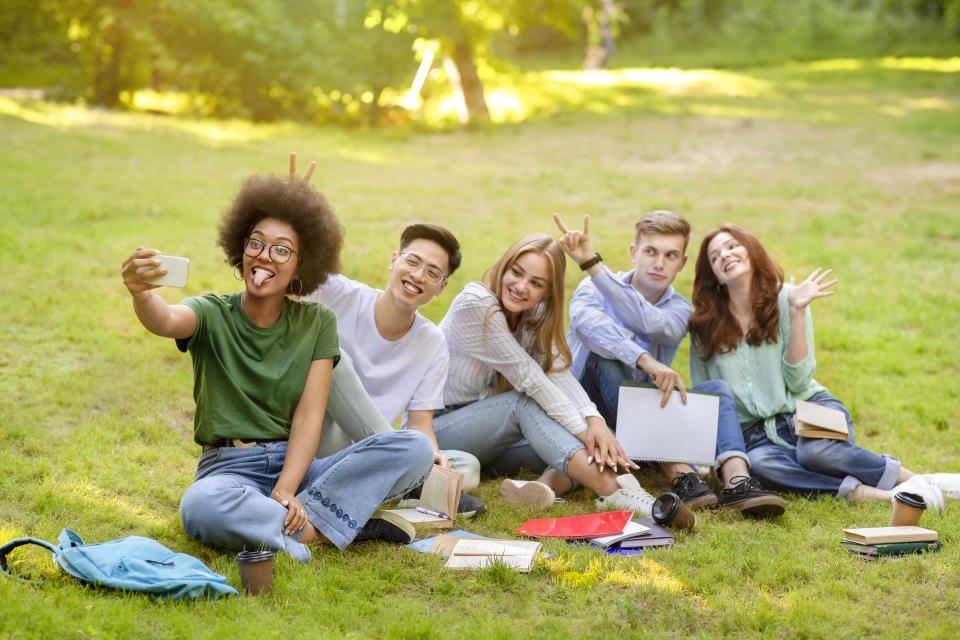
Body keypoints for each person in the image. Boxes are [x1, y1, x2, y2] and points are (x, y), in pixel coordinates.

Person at [120, 174, 435, 562]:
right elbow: (165, 320)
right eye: (256, 243)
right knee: (199, 505)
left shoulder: (317, 321)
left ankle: (294, 520)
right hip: (229, 471)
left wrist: (286, 489)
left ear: (302, 265)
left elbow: (309, 416)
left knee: (415, 447)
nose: (265, 256)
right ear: (241, 249)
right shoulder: (212, 311)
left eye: (282, 250)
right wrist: (142, 294)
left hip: (300, 469)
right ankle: (322, 528)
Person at [687, 223, 948, 508]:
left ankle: (915, 480)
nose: (724, 255)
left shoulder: (788, 298)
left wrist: (797, 312)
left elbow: (799, 382)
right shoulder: (705, 327)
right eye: (715, 257)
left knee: (816, 454)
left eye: (732, 246)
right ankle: (873, 495)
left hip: (809, 409)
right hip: (757, 435)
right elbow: (709, 399)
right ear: (714, 276)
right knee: (762, 467)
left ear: (751, 250)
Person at [559, 211, 785, 516]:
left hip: (648, 417)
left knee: (718, 389)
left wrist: (595, 268)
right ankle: (679, 472)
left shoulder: (679, 309)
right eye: (650, 251)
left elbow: (649, 323)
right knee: (605, 359)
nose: (659, 263)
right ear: (633, 252)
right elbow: (592, 329)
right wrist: (646, 361)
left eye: (670, 255)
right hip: (589, 412)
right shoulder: (591, 286)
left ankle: (737, 482)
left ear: (682, 263)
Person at [432, 230, 662, 515]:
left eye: (536, 283)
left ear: (547, 291)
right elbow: (530, 378)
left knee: (588, 439)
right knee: (529, 407)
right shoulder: (477, 303)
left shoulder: (533, 312)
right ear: (505, 265)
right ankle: (614, 492)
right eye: (516, 272)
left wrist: (595, 422)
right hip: (438, 433)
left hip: (486, 437)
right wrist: (585, 431)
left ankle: (542, 487)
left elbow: (556, 371)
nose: (521, 286)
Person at [302, 222, 485, 515]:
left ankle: (390, 474)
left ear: (441, 287)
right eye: (412, 261)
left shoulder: (432, 342)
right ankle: (404, 473)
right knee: (333, 358)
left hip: (369, 452)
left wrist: (432, 454)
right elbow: (293, 272)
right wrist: (293, 215)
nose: (417, 275)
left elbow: (420, 423)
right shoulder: (339, 294)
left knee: (468, 467)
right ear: (393, 260)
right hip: (319, 438)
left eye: (432, 273)